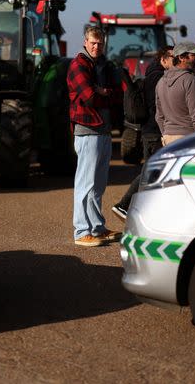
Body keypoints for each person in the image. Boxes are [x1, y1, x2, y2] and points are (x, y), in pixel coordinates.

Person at [67, 25, 123, 247]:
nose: (96, 46)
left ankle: (97, 227)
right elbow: (89, 97)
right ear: (85, 42)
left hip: (104, 129)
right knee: (85, 183)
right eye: (92, 42)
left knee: (98, 184)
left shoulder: (102, 65)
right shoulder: (78, 65)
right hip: (88, 130)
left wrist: (104, 92)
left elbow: (118, 94)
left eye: (100, 43)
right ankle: (81, 232)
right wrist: (102, 92)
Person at [111, 45, 174, 220]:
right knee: (151, 172)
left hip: (150, 130)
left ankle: (135, 209)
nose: (175, 61)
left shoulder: (151, 75)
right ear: (163, 59)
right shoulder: (158, 78)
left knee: (152, 172)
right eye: (172, 58)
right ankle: (124, 205)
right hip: (153, 131)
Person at [155, 41, 195, 146]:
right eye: (193, 55)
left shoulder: (160, 82)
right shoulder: (190, 80)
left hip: (168, 138)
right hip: (188, 138)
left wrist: (166, 134)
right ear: (182, 57)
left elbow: (159, 116)